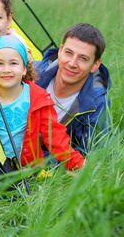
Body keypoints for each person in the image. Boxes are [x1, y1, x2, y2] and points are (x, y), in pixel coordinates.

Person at [0, 35, 85, 171]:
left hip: (30, 169)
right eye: (0, 63)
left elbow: (55, 137)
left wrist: (78, 164)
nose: (6, 69)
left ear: (24, 69)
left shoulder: (38, 98)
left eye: (13, 63)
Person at [34, 23, 111, 155]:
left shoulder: (96, 104)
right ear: (60, 51)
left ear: (95, 64)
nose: (72, 63)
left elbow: (94, 155)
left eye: (83, 58)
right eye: (69, 53)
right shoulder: (31, 73)